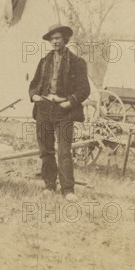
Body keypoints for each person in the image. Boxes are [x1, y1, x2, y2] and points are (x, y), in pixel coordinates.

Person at [29, 24, 90, 202]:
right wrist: (34, 97)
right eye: (52, 39)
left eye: (58, 38)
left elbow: (84, 89)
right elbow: (33, 84)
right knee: (46, 150)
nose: (55, 41)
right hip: (43, 109)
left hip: (64, 111)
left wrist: (69, 102)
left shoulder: (77, 62)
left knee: (64, 151)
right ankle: (49, 185)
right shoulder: (44, 61)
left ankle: (67, 190)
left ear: (65, 39)